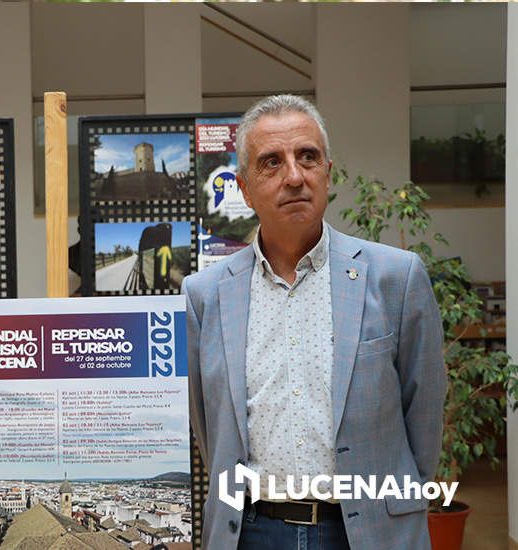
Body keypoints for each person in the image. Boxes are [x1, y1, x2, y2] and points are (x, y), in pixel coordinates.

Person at [183, 95, 445, 550]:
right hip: (251, 532)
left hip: (369, 532)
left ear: (328, 171)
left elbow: (423, 414)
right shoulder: (206, 295)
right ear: (244, 189)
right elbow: (210, 428)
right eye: (271, 162)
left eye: (308, 157)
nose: (294, 176)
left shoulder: (395, 278)